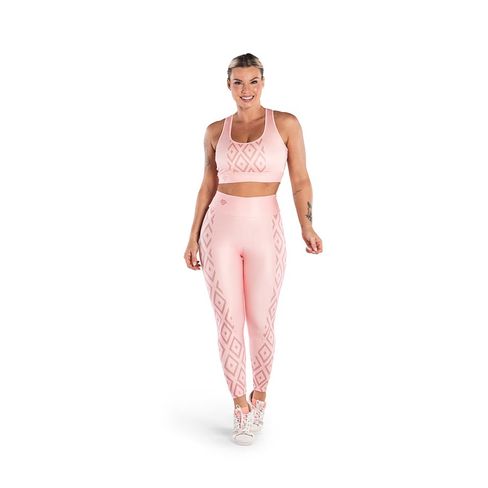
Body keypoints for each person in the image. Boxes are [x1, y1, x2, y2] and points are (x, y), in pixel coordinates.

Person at [184, 53, 323, 445]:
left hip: (266, 229)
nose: (246, 90)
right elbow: (207, 185)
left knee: (261, 318)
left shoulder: (286, 124)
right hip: (219, 231)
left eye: (253, 81)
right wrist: (192, 235)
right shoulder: (215, 130)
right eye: (238, 82)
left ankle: (260, 396)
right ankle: (240, 407)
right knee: (228, 320)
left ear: (263, 82)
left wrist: (307, 225)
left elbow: (300, 179)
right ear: (228, 85)